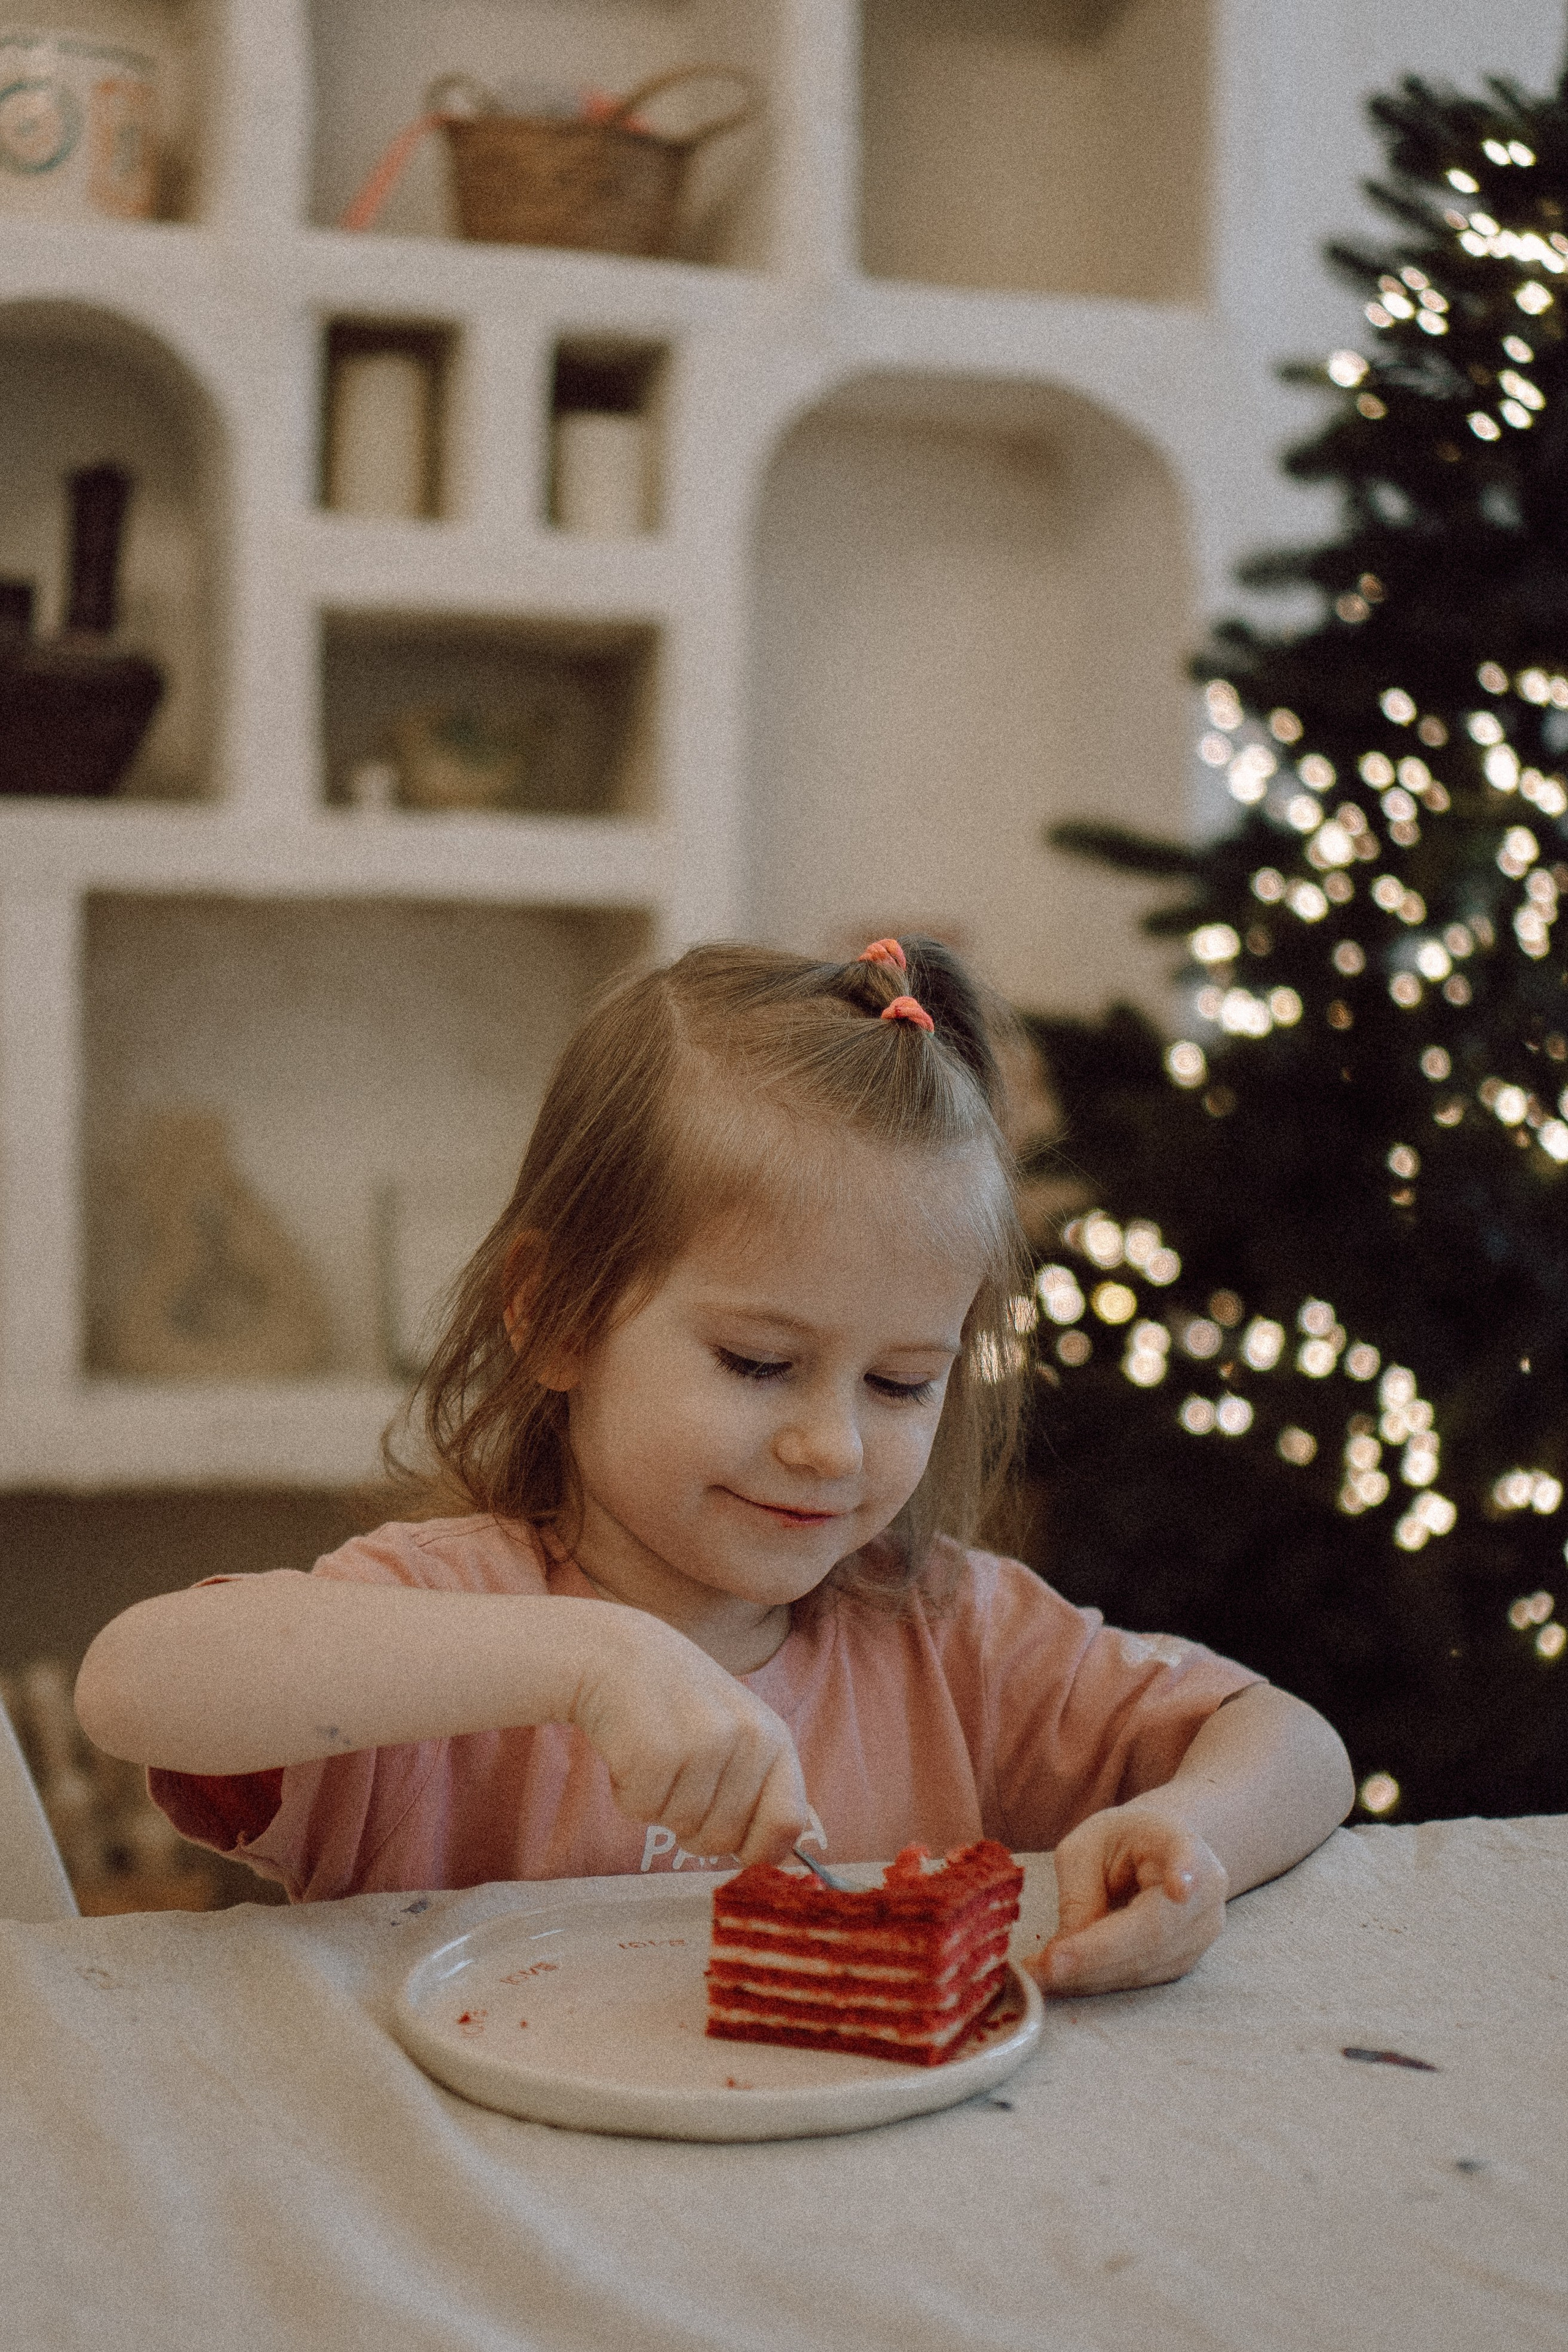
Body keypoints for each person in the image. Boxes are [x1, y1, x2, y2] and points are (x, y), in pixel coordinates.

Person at [76, 938, 1353, 1994]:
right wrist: (595, 1662)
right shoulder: (448, 1615)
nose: (831, 1444)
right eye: (756, 1362)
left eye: (902, 1382)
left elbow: (1289, 1743)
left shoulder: (949, 1638)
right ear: (560, 1312)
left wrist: (1190, 1839)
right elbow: (135, 1683)